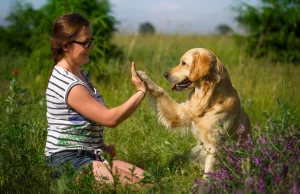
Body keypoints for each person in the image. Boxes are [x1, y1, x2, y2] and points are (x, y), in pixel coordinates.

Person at [45, 12, 147, 185]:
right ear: (65, 46)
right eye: (85, 42)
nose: (91, 47)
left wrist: (100, 148)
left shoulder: (80, 73)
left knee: (150, 182)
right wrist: (141, 92)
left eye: (91, 41)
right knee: (136, 187)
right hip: (67, 160)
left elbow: (80, 124)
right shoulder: (68, 83)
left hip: (90, 155)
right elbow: (110, 119)